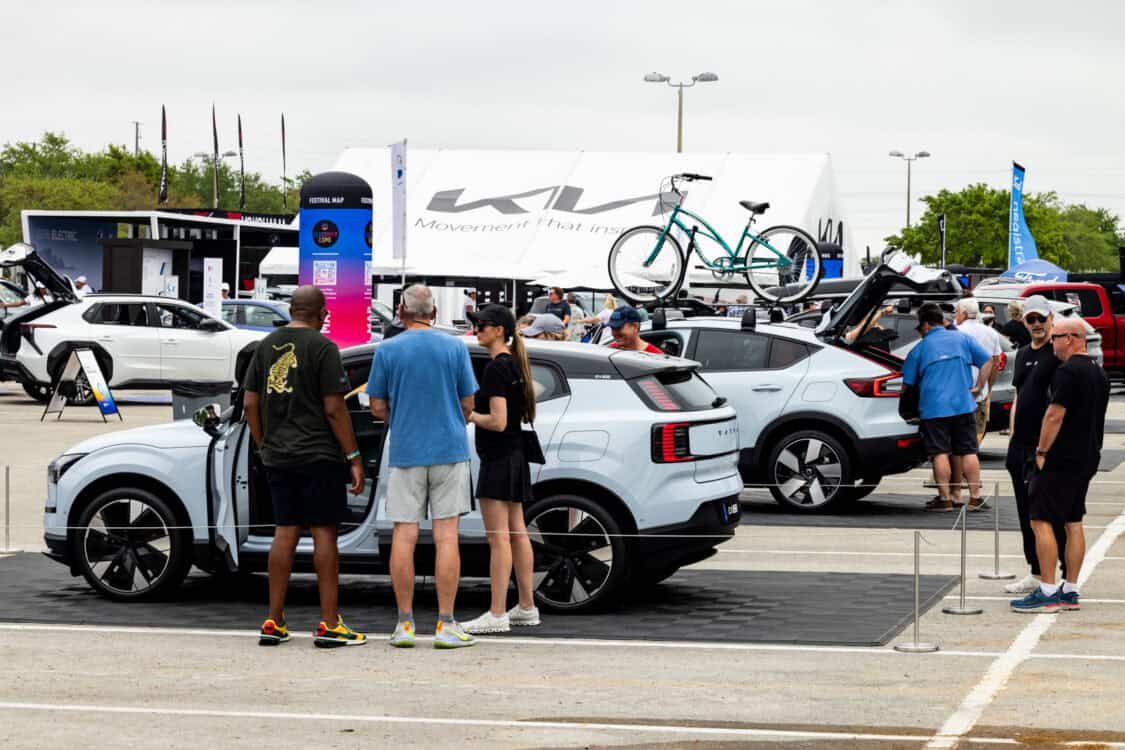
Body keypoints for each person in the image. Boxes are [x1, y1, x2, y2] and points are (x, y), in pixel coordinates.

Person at [242, 285, 368, 648]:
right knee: (323, 534)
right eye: (325, 312)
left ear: (292, 309)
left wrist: (263, 443)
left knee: (285, 532)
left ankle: (274, 620)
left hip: (277, 456)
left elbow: (251, 403)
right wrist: (354, 457)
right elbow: (334, 408)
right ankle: (329, 623)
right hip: (319, 455)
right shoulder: (323, 348)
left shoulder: (265, 346)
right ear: (320, 313)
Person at [366, 284, 478, 649]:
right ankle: (446, 624)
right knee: (447, 536)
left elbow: (377, 406)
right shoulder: (454, 347)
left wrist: (400, 418)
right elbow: (467, 403)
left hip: (406, 451)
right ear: (433, 313)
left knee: (404, 534)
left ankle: (405, 624)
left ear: (401, 311)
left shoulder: (387, 350)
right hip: (449, 448)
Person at [1011, 316, 1109, 612]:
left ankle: (1049, 589)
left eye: (1056, 337)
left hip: (1061, 458)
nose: (1051, 342)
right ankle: (1070, 589)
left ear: (1071, 338)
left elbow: (1054, 414)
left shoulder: (1068, 372)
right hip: (1087, 456)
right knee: (1073, 520)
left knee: (1040, 519)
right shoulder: (1097, 371)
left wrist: (1041, 451)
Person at [460, 304, 542, 634]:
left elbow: (497, 421)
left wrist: (468, 415)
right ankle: (526, 605)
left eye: (481, 325)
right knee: (517, 531)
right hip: (515, 456)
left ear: (498, 330)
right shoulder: (514, 365)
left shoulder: (496, 368)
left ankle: (496, 612)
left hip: (497, 458)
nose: (476, 330)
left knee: (498, 539)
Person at [901, 302, 994, 513]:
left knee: (940, 452)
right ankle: (975, 498)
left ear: (925, 325)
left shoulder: (920, 348)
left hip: (933, 408)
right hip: (963, 404)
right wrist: (979, 387)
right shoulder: (962, 339)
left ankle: (945, 500)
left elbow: (907, 384)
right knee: (969, 450)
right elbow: (988, 361)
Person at [1004, 296, 1067, 594]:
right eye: (1031, 320)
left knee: (1049, 514)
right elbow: (1020, 397)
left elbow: (1061, 406)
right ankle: (1035, 570)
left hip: (1046, 449)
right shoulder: (1023, 353)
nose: (1037, 324)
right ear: (1024, 322)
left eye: (1042, 318)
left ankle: (1059, 576)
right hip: (1020, 447)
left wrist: (1046, 448)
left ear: (1051, 318)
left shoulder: (1058, 355)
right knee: (1026, 513)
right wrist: (1014, 438)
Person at [954, 297, 1002, 446]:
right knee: (977, 434)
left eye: (956, 312)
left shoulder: (954, 332)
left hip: (957, 394)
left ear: (964, 313)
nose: (955, 315)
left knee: (956, 437)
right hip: (980, 394)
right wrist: (989, 387)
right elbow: (995, 363)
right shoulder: (991, 333)